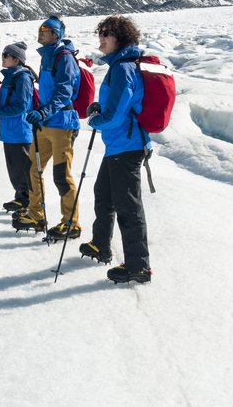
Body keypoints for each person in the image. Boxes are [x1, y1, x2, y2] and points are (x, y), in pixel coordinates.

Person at [80, 14, 153, 284]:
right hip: (119, 144)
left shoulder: (123, 68)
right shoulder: (120, 66)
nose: (101, 38)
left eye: (107, 34)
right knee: (104, 194)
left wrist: (97, 119)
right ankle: (101, 245)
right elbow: (116, 106)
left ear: (119, 38)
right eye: (101, 32)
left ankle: (138, 267)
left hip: (127, 145)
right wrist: (100, 110)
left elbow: (117, 114)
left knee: (128, 207)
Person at [13, 15, 81, 240]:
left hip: (61, 124)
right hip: (45, 124)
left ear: (57, 34)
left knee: (61, 175)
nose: (40, 31)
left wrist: (43, 112)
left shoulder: (64, 58)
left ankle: (71, 223)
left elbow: (64, 92)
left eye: (46, 29)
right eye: (40, 28)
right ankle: (36, 214)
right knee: (33, 169)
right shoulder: (47, 56)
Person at [0, 41, 35, 213]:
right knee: (15, 169)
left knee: (23, 169)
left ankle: (28, 201)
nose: (3, 57)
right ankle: (21, 197)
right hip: (10, 131)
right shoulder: (10, 77)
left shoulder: (22, 78)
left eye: (6, 55)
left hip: (19, 131)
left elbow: (21, 106)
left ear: (16, 60)